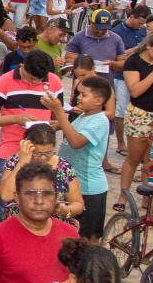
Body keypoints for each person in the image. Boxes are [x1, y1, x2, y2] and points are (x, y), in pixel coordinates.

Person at [45, 75, 113, 242]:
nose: (78, 97)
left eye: (83, 95)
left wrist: (59, 111)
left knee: (87, 241)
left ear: (98, 100)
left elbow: (76, 142)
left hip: (88, 188)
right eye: (79, 94)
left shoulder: (99, 121)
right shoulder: (84, 115)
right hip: (71, 185)